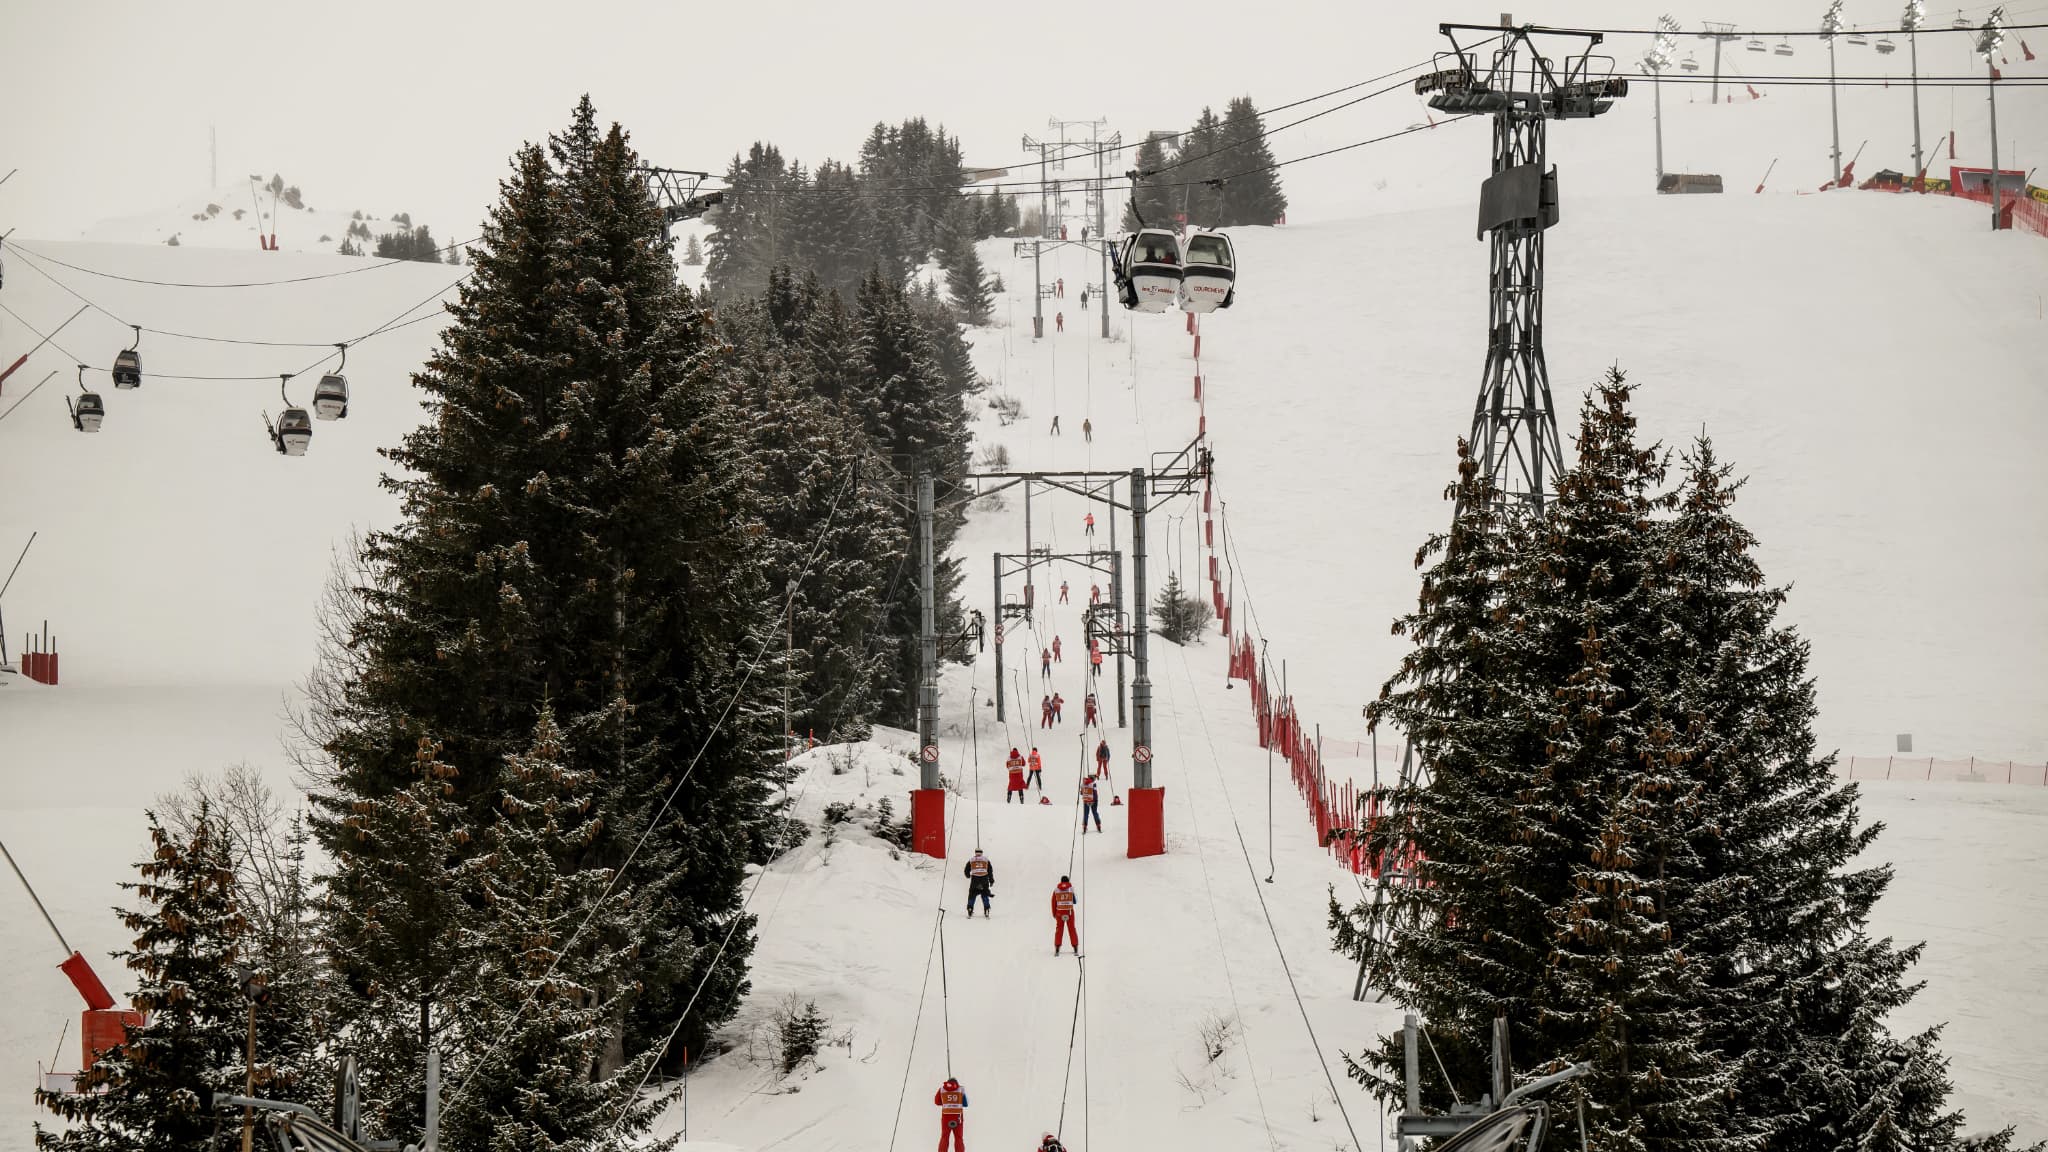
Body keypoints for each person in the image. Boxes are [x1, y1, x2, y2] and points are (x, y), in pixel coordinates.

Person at [935, 1077, 968, 1151]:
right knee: (958, 1138)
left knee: (944, 1137)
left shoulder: (942, 1089)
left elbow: (937, 1102)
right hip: (958, 1118)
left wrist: (945, 1103)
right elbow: (965, 1104)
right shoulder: (960, 1089)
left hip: (946, 1118)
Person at [1051, 876, 1078, 955]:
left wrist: (1054, 913)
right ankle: (1075, 946)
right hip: (1069, 912)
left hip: (1060, 912)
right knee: (1072, 929)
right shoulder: (1071, 889)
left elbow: (1053, 903)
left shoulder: (1056, 890)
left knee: (1059, 930)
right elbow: (1075, 901)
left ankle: (1057, 947)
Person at [963, 849, 995, 917]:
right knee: (985, 894)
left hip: (975, 880)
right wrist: (991, 881)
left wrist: (968, 875)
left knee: (972, 894)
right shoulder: (986, 860)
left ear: (975, 853)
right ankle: (986, 909)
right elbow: (990, 871)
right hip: (984, 879)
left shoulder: (971, 860)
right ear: (981, 853)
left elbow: (966, 870)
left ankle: (970, 908)